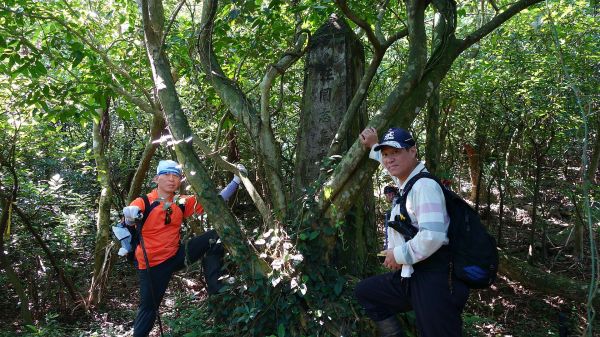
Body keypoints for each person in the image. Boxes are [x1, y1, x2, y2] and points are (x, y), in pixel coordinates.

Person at [355, 127, 469, 337]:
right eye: (386, 154)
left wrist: (397, 255)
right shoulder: (408, 182)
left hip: (437, 279)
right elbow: (390, 164)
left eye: (396, 152)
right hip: (413, 275)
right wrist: (373, 146)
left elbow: (433, 235)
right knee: (367, 292)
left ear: (413, 151)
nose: (389, 159)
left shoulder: (424, 187)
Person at [122, 159, 245, 337]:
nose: (172, 179)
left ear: (180, 180)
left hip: (176, 255)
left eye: (176, 176)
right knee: (149, 309)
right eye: (167, 175)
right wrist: (130, 217)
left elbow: (215, 201)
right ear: (156, 179)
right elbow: (130, 216)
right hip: (153, 265)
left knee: (214, 236)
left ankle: (216, 289)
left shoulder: (180, 202)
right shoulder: (143, 201)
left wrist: (236, 181)